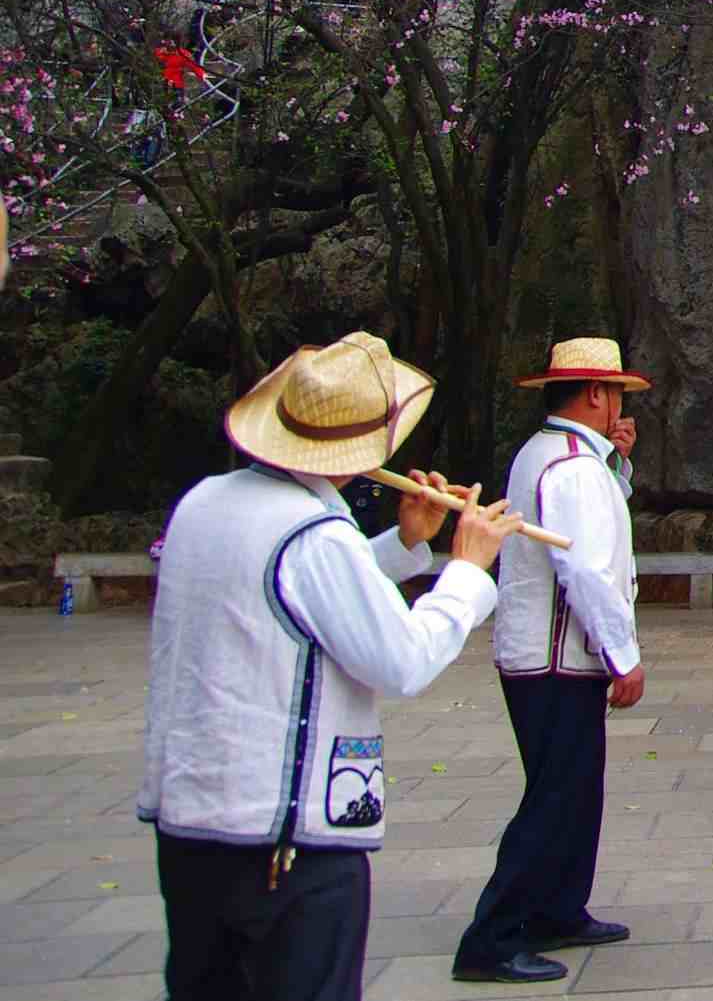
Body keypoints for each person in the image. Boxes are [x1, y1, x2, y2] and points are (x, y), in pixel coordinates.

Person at [141, 332, 520, 1001]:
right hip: (286, 843)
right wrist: (465, 569)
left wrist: (406, 542)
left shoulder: (203, 502)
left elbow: (286, 598)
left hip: (192, 826)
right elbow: (401, 660)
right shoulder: (316, 534)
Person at [453, 338, 649, 985]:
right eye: (614, 390)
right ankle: (494, 932)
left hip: (546, 654)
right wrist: (623, 656)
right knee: (555, 795)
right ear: (595, 393)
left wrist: (617, 460)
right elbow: (586, 570)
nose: (619, 402)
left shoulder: (556, 453)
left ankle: (558, 906)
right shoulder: (570, 466)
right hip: (556, 657)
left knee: (574, 788)